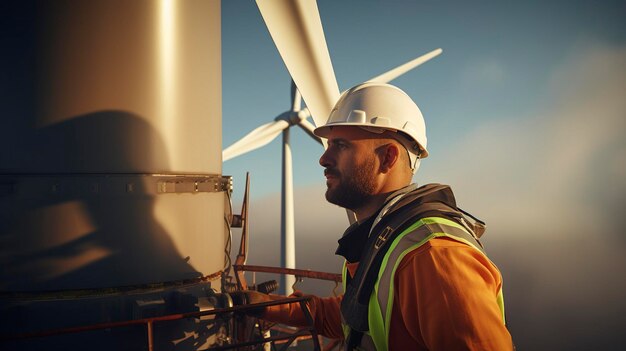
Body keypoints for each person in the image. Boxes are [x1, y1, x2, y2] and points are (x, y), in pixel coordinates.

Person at [241, 82, 514, 350]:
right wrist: (267, 307)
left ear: (387, 158)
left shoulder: (435, 256)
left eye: (340, 145)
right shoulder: (383, 237)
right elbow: (356, 316)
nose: (323, 159)